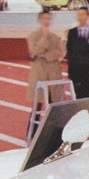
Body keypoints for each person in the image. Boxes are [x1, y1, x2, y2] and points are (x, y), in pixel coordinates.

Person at [26, 11, 65, 140]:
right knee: (37, 106)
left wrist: (44, 55)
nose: (47, 21)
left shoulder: (55, 37)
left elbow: (60, 53)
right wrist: (44, 38)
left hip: (53, 73)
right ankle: (31, 134)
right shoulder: (33, 36)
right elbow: (34, 51)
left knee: (54, 106)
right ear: (40, 20)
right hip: (40, 74)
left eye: (48, 18)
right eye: (44, 18)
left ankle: (54, 134)